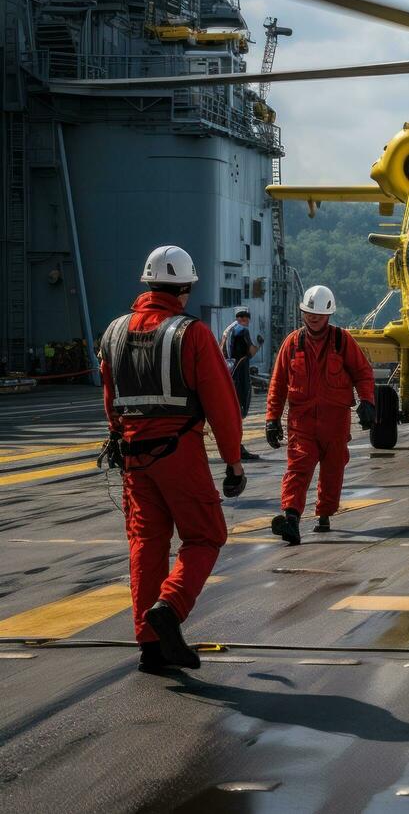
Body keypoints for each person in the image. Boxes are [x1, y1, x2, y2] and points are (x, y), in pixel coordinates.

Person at [99, 245, 244, 673]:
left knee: (146, 543)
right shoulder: (190, 332)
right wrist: (233, 462)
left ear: (147, 283)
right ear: (183, 288)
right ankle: (171, 606)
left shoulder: (114, 331)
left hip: (133, 456)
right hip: (178, 450)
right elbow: (221, 403)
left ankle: (149, 644)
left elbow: (110, 399)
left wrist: (117, 436)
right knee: (205, 536)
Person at [265, 285, 376, 544]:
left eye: (317, 314)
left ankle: (324, 513)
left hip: (335, 422)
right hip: (301, 422)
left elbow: (362, 372)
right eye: (308, 313)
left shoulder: (342, 341)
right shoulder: (292, 343)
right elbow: (278, 384)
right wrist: (271, 419)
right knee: (298, 468)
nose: (312, 318)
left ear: (329, 314)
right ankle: (291, 518)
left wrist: (368, 401)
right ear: (303, 312)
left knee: (333, 470)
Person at [221, 307, 264, 460]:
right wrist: (259, 344)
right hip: (239, 375)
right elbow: (250, 352)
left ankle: (231, 446)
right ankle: (236, 447)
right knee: (240, 411)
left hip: (228, 373)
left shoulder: (228, 330)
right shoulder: (242, 330)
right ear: (247, 318)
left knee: (231, 412)